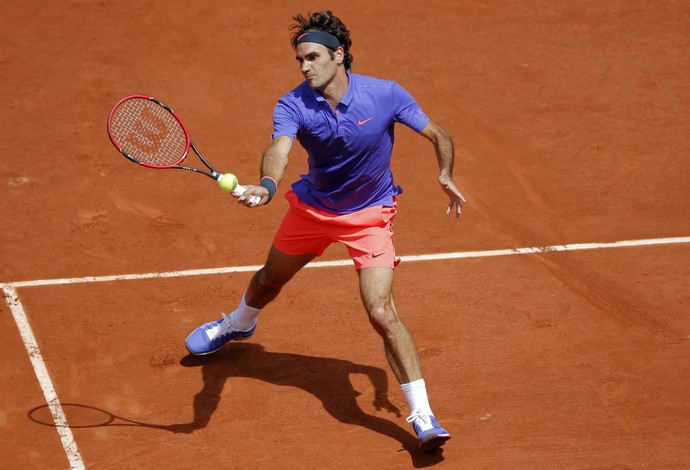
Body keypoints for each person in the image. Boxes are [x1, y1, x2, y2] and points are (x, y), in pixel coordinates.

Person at [185, 10, 466, 452]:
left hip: (369, 214)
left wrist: (445, 173)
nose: (304, 67)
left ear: (339, 56)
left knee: (381, 312)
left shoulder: (385, 94)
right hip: (313, 210)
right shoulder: (293, 103)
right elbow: (278, 148)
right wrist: (268, 184)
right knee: (269, 278)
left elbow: (437, 133)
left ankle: (423, 416)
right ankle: (238, 324)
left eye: (313, 57)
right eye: (300, 60)